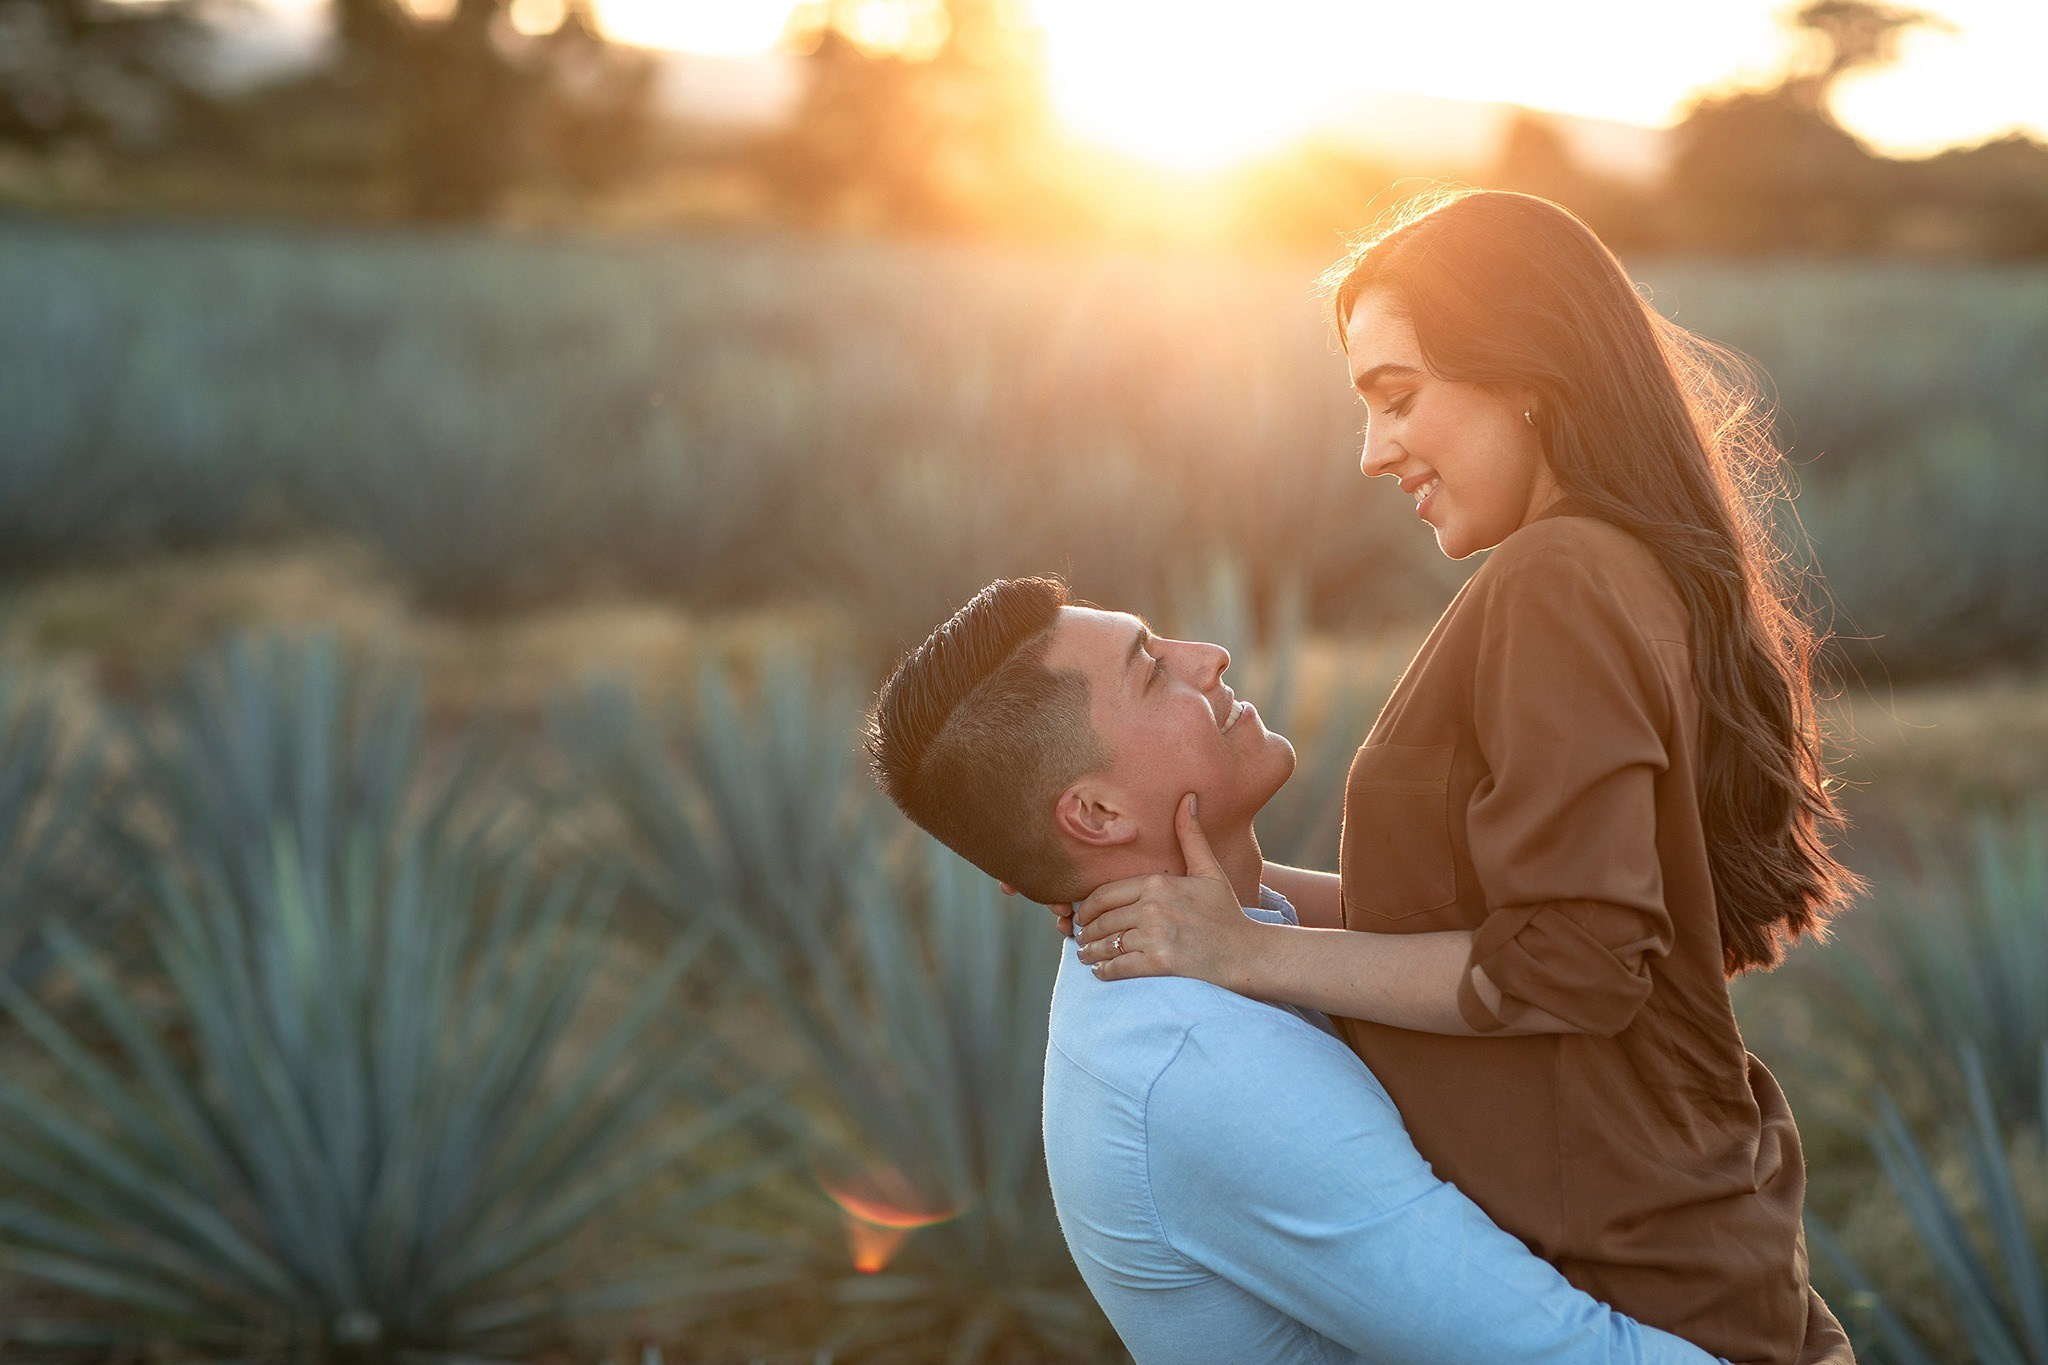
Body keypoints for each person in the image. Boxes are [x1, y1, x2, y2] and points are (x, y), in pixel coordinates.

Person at [1066, 190, 1858, 1365]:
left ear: (1526, 371)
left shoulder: (1558, 579)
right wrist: (1223, 900)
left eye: (1397, 397)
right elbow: (1479, 912)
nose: (1373, 451)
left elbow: (1573, 963)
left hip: (1628, 1276)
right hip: (1656, 1235)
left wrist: (1243, 953)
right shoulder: (1604, 566)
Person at [865, 575, 1722, 1365]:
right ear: (1094, 811)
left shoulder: (1195, 951)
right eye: (1153, 671)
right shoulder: (1207, 1069)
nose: (1208, 657)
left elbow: (1520, 947)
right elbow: (1568, 1354)